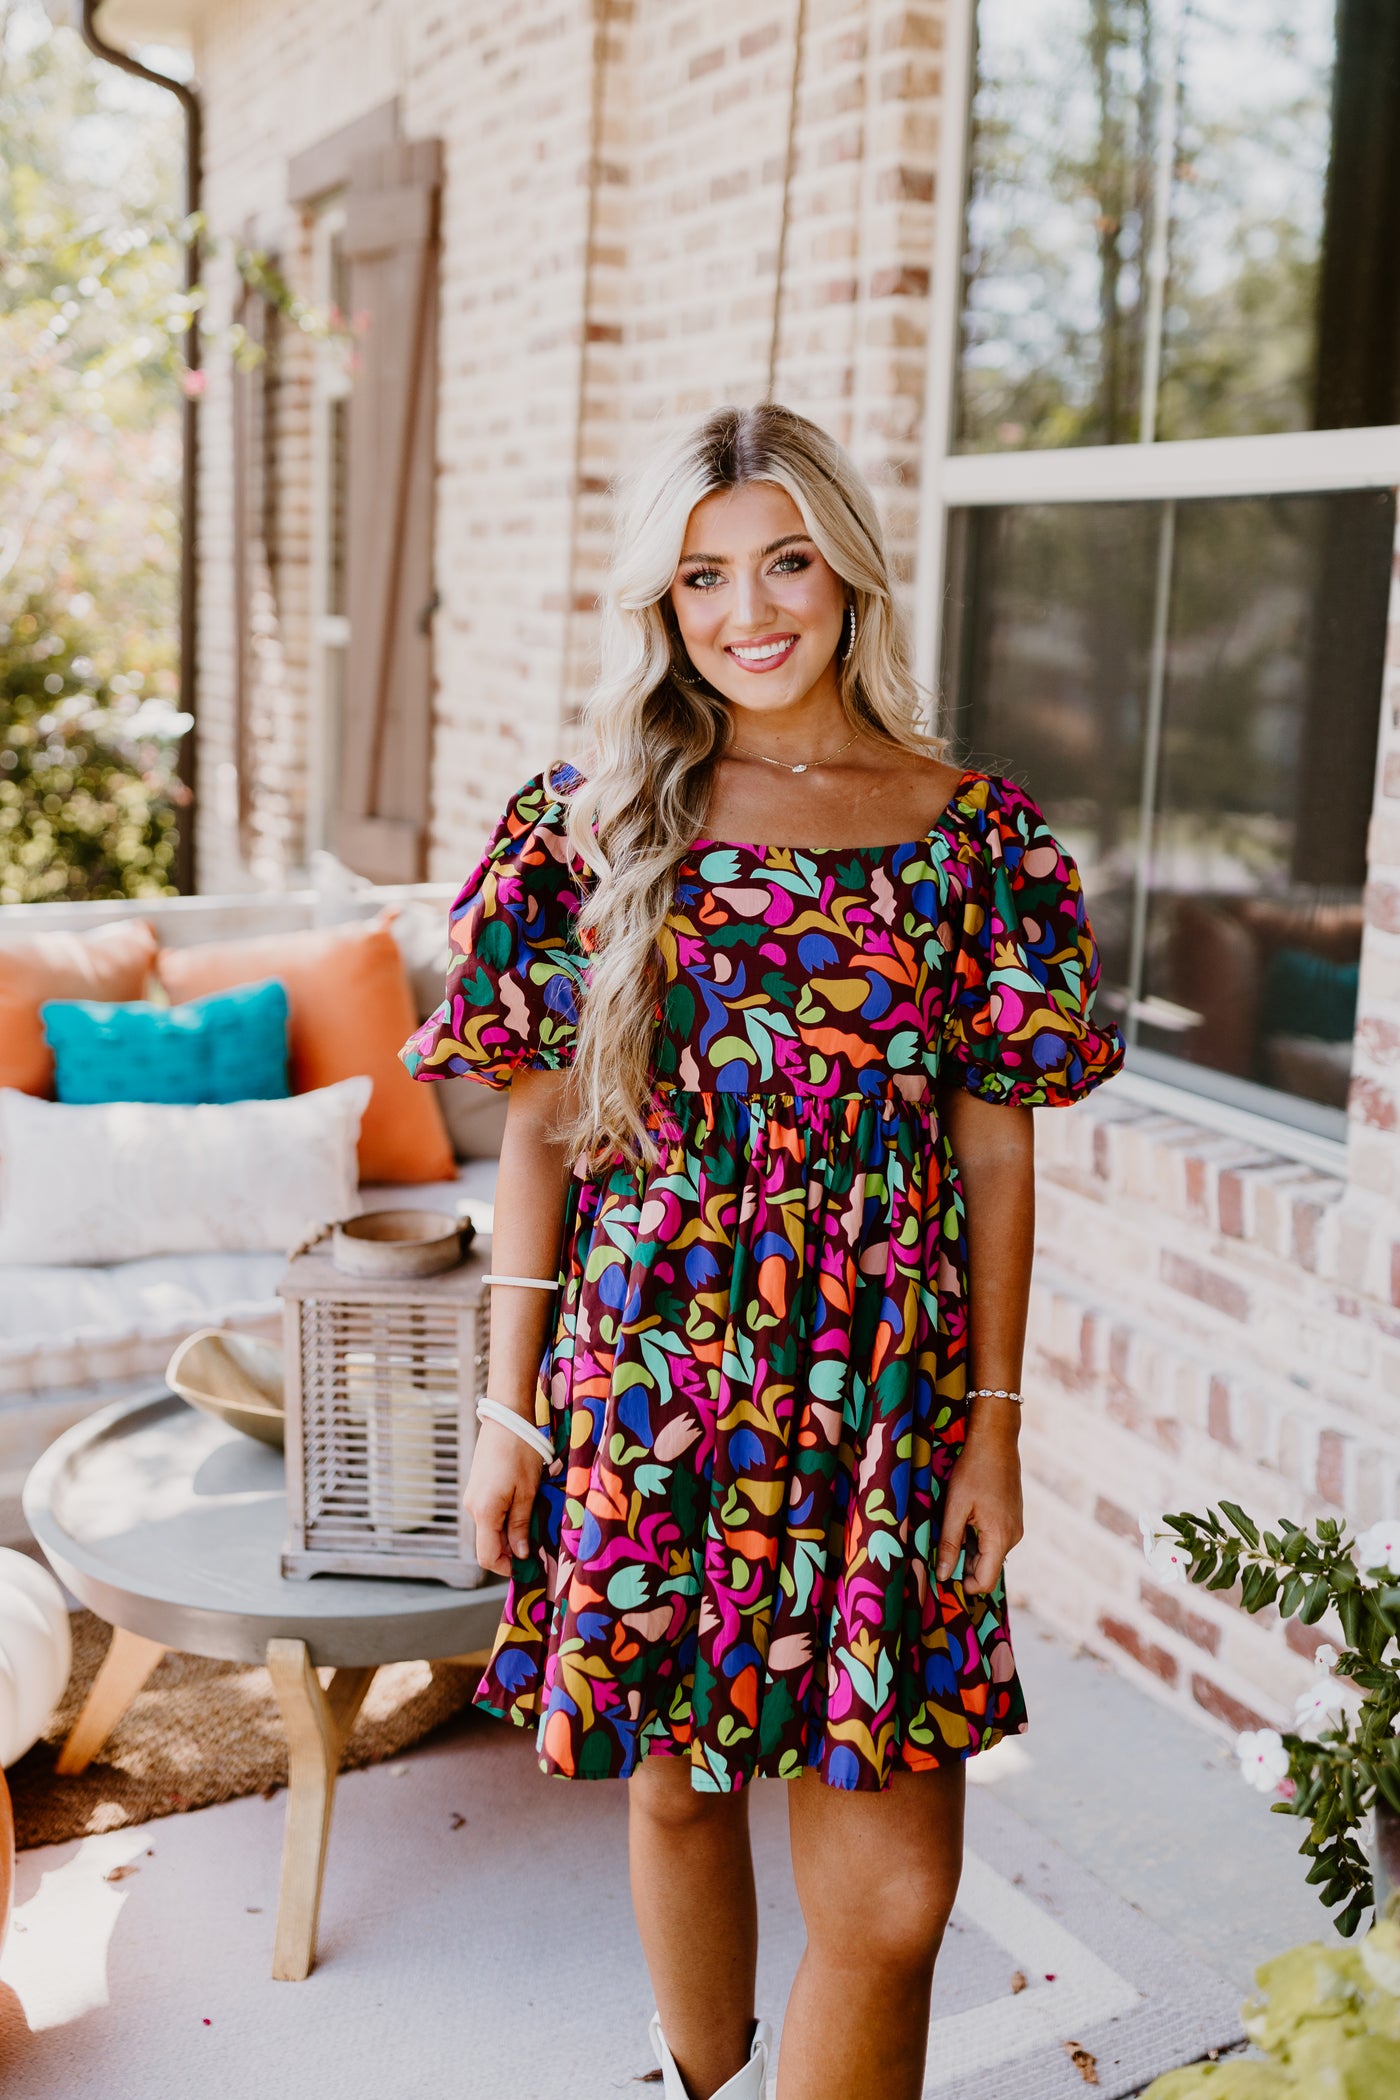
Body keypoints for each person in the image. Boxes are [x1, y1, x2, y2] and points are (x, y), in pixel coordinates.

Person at [402, 403, 1123, 2100]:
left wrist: (997, 1424)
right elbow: (540, 1133)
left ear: (849, 569)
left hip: (886, 1397)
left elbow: (995, 1149)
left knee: (895, 1902)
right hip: (652, 1378)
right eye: (704, 575)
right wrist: (509, 1413)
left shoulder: (978, 839)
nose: (751, 611)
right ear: (662, 601)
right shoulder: (586, 822)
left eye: (786, 560)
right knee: (675, 1782)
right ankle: (699, 2077)